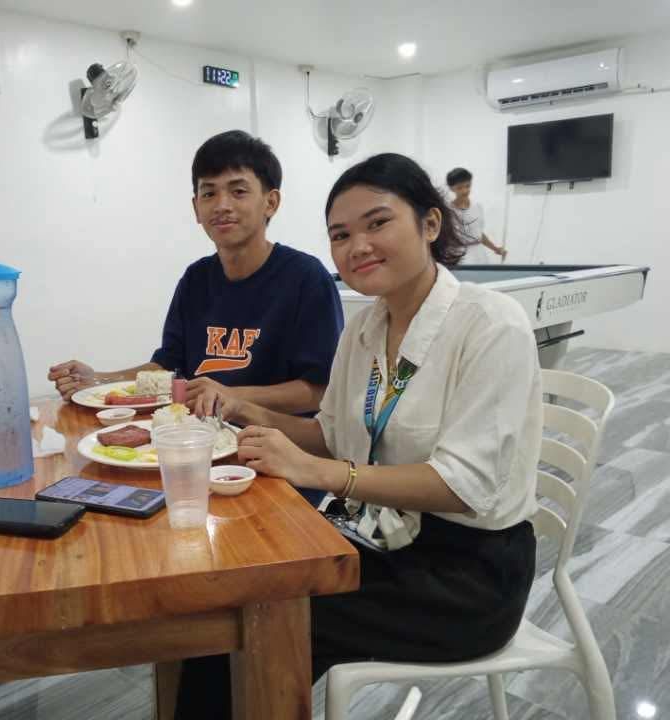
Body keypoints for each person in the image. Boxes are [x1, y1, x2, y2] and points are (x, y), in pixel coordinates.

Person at [177, 153, 541, 719]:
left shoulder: (491, 324)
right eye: (340, 235)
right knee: (226, 593)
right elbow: (328, 434)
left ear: (429, 224)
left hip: (466, 576)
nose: (358, 246)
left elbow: (464, 486)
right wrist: (252, 411)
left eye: (377, 223)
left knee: (260, 615)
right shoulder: (366, 328)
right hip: (377, 534)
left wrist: (319, 473)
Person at [49, 130, 344, 418]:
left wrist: (234, 397)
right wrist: (100, 379)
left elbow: (320, 390)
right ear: (196, 208)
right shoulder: (196, 279)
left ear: (271, 202)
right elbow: (169, 367)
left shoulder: (306, 278)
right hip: (199, 437)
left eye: (238, 191)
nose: (222, 205)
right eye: (209, 193)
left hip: (279, 449)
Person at [446, 167, 507, 264]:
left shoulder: (477, 206)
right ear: (451, 188)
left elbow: (479, 234)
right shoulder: (448, 210)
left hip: (479, 253)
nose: (465, 190)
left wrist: (495, 248)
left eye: (468, 186)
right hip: (461, 255)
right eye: (460, 187)